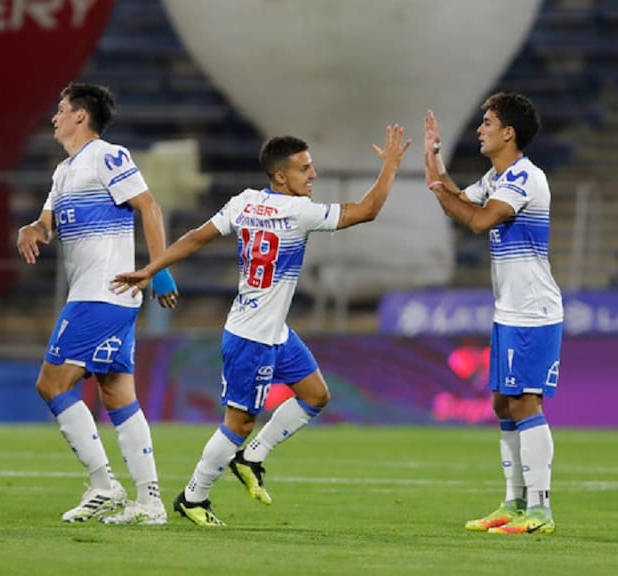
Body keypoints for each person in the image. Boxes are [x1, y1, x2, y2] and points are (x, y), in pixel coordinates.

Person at [112, 127, 410, 526]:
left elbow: (197, 238)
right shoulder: (300, 212)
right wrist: (390, 166)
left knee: (315, 395)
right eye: (305, 169)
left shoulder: (244, 203)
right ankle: (194, 497)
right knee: (239, 423)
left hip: (275, 330)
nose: (313, 175)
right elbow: (367, 209)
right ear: (281, 176)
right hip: (251, 335)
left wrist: (152, 268)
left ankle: (252, 457)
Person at [17, 82, 178, 526]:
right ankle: (149, 501)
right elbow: (46, 224)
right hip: (104, 296)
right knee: (117, 392)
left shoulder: (109, 156)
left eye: (61, 108)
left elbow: (149, 207)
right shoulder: (65, 172)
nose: (55, 116)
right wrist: (31, 229)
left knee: (51, 384)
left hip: (103, 294)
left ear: (81, 116)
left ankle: (104, 484)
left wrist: (159, 270)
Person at [423, 93, 562, 535]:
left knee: (525, 401)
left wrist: (444, 192)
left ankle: (539, 511)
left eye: (488, 122)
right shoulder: (496, 176)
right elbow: (456, 201)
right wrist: (433, 160)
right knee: (503, 402)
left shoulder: (524, 178)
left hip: (533, 311)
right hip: (509, 310)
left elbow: (479, 221)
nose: (480, 128)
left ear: (509, 133)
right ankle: (512, 502)